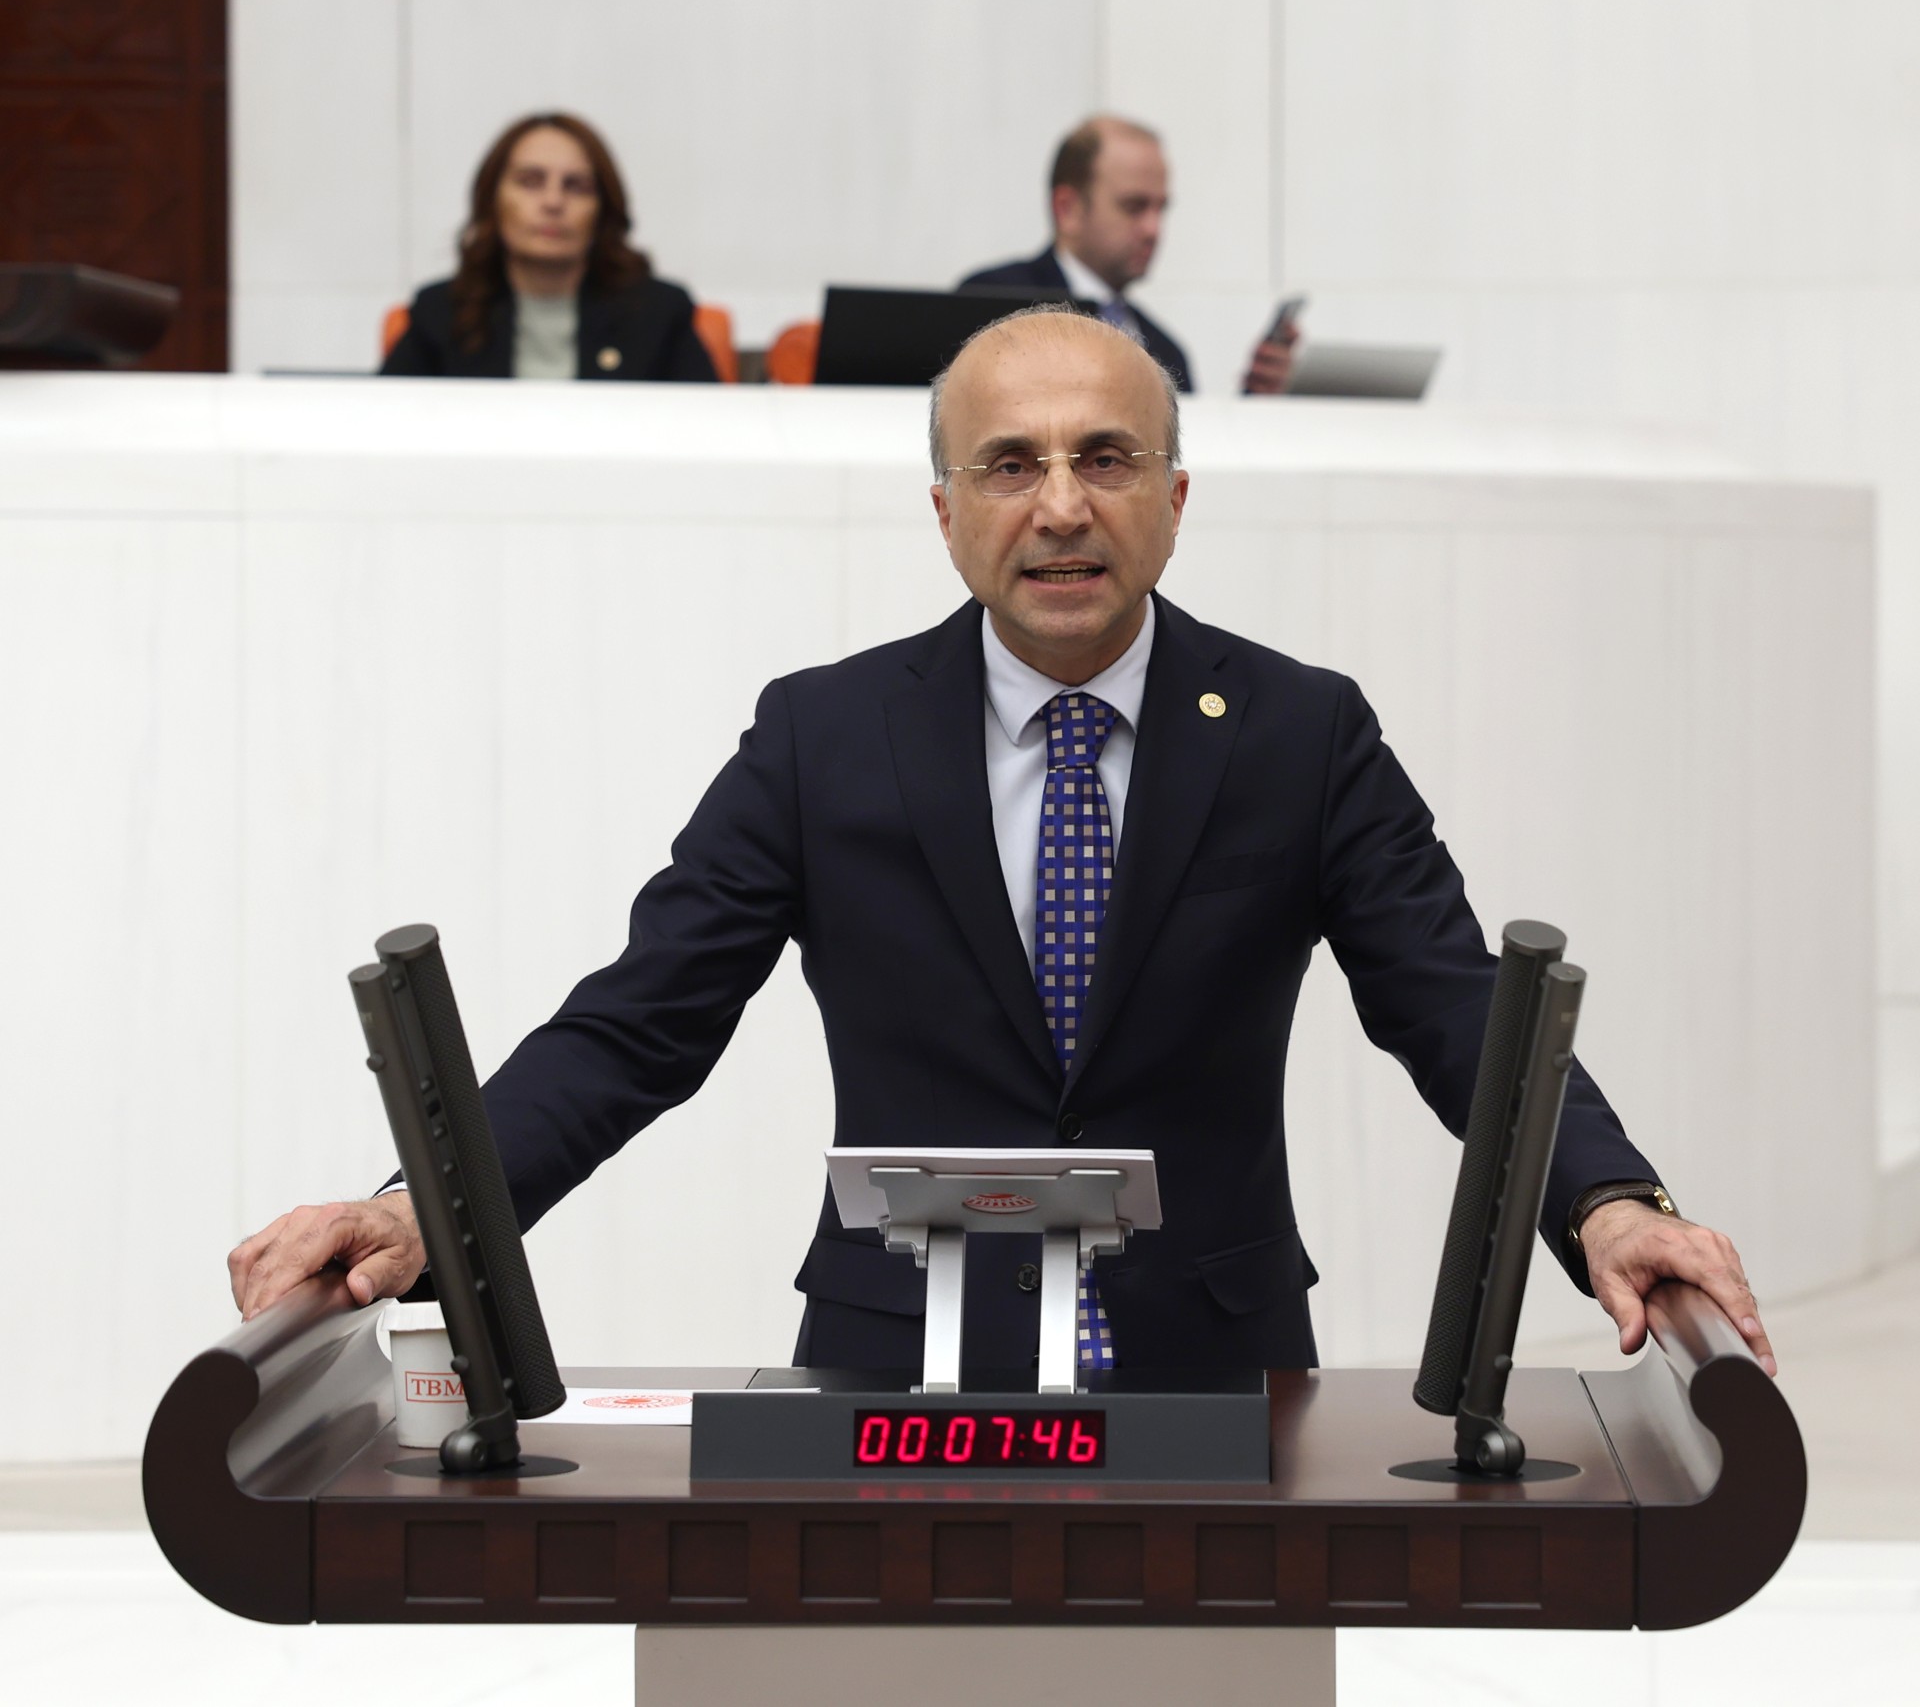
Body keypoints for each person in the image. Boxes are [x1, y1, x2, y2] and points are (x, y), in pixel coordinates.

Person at [232, 307, 1774, 1384]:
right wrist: (416, 1208)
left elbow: (1455, 1004)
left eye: (1107, 458)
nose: (1061, 506)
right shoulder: (823, 736)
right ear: (946, 509)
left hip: (1215, 1369)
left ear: (1175, 497)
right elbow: (638, 1025)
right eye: (1011, 464)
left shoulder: (1302, 733)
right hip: (892, 1366)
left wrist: (1609, 1200)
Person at [957, 115, 1296, 397]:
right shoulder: (993, 306)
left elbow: (1184, 452)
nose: (1153, 229)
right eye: (1134, 206)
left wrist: (1256, 402)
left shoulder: (1166, 353)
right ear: (1067, 209)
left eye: (1160, 208)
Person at [379, 111, 716, 383]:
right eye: (530, 182)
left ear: (603, 209)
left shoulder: (658, 314)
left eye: (576, 186)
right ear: (492, 200)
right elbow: (380, 425)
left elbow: (711, 429)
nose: (553, 202)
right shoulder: (441, 312)